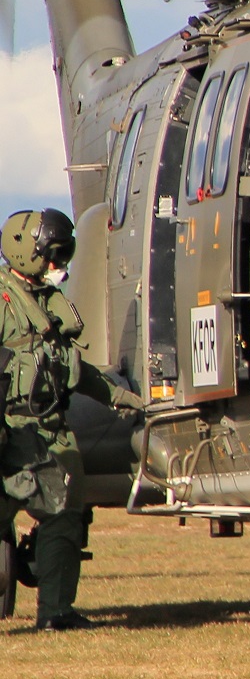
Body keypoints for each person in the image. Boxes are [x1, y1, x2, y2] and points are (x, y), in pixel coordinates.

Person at [1, 209, 143, 630]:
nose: (58, 266)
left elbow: (74, 368)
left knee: (64, 516)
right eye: (53, 255)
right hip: (9, 430)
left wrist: (122, 397)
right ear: (28, 253)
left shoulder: (50, 305)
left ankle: (56, 613)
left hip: (48, 432)